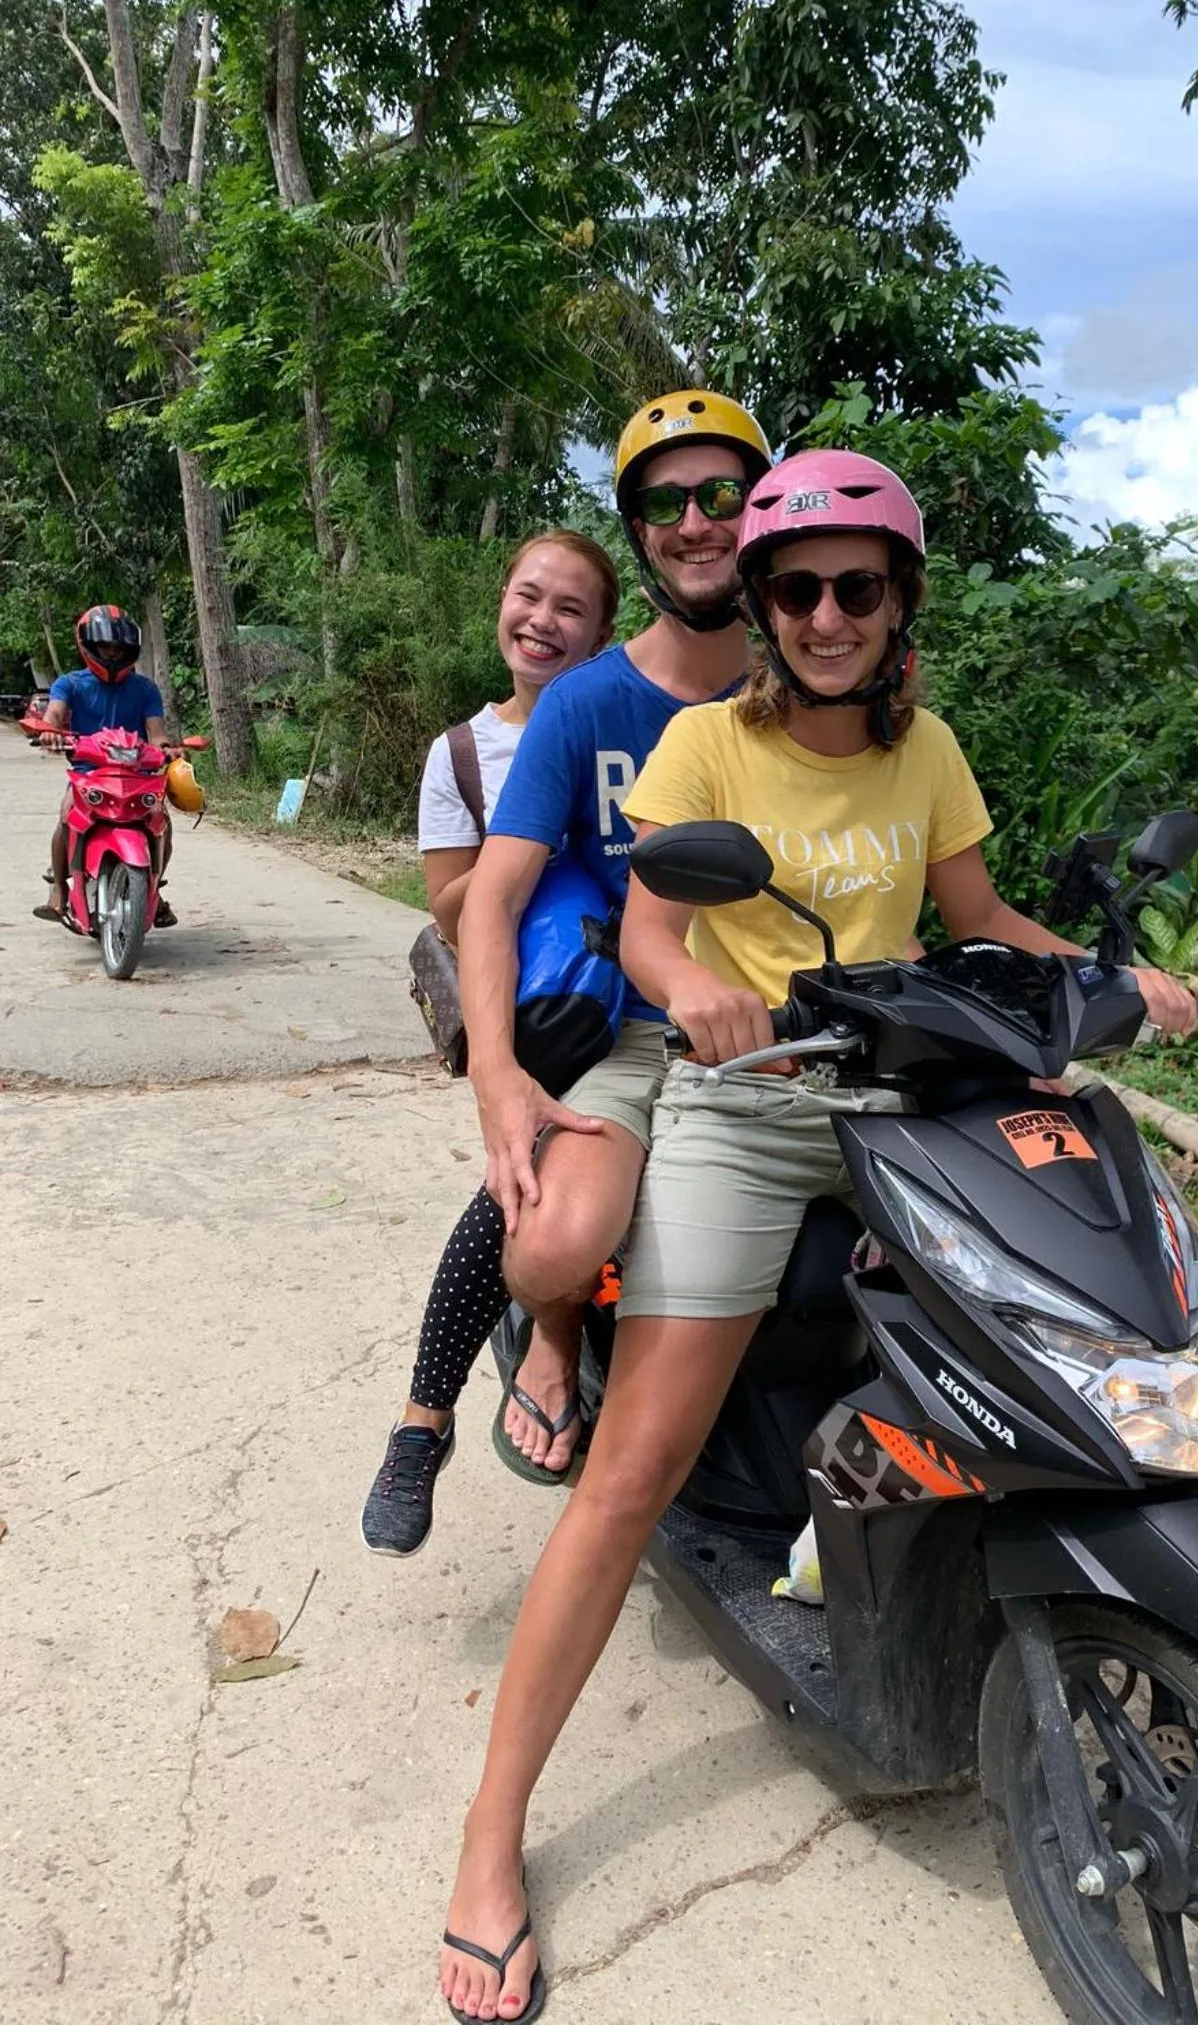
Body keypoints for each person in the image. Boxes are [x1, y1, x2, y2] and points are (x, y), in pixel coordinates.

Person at [435, 451, 1198, 2023]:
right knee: (632, 1468)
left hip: (907, 1097)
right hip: (750, 1102)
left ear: (899, 598)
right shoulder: (707, 742)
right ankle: (490, 1842)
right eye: (797, 588)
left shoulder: (930, 753)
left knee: (1062, 1326)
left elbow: (978, 918)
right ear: (765, 605)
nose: (827, 614)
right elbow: (651, 923)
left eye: (858, 586)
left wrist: (1112, 980)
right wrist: (697, 992)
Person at [361, 391, 772, 1561]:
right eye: (665, 502)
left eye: (723, 496)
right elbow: (480, 897)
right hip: (610, 1017)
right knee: (538, 1217)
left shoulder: (806, 683)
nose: (696, 522)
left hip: (780, 1023)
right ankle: (463, 1390)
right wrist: (496, 1075)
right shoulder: (576, 710)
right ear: (640, 531)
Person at [417, 531, 619, 950]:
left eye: (570, 609)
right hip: (522, 984)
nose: (542, 620)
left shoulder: (633, 731)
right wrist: (529, 843)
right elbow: (449, 919)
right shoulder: (460, 754)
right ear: (503, 599)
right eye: (528, 596)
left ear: (601, 637)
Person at [35, 606, 173, 925]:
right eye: (105, 647)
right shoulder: (69, 684)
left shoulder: (145, 689)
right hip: (89, 773)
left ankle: (153, 892)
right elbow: (53, 716)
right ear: (88, 646)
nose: (112, 653)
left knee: (161, 822)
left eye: (119, 648)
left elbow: (157, 734)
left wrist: (168, 750)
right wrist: (49, 733)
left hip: (137, 775)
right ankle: (59, 890)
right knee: (67, 814)